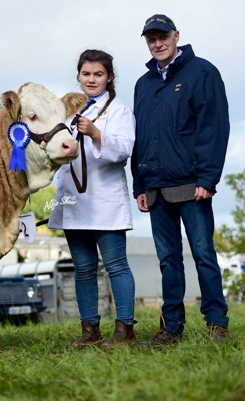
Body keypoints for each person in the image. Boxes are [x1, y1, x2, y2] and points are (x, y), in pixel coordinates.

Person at [131, 14, 230, 345]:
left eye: (162, 36)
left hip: (192, 185)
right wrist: (139, 185)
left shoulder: (203, 72)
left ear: (176, 36)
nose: (157, 43)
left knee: (203, 254)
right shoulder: (143, 85)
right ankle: (170, 327)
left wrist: (208, 177)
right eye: (151, 39)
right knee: (167, 261)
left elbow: (214, 128)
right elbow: (139, 138)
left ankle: (217, 324)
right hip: (155, 187)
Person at [49, 49, 137, 349]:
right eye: (86, 74)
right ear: (78, 76)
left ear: (109, 77)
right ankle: (90, 330)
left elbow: (125, 148)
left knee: (116, 266)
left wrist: (97, 133)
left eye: (98, 74)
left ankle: (125, 330)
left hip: (105, 199)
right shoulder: (68, 110)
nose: (91, 79)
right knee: (83, 267)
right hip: (73, 199)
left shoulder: (119, 110)